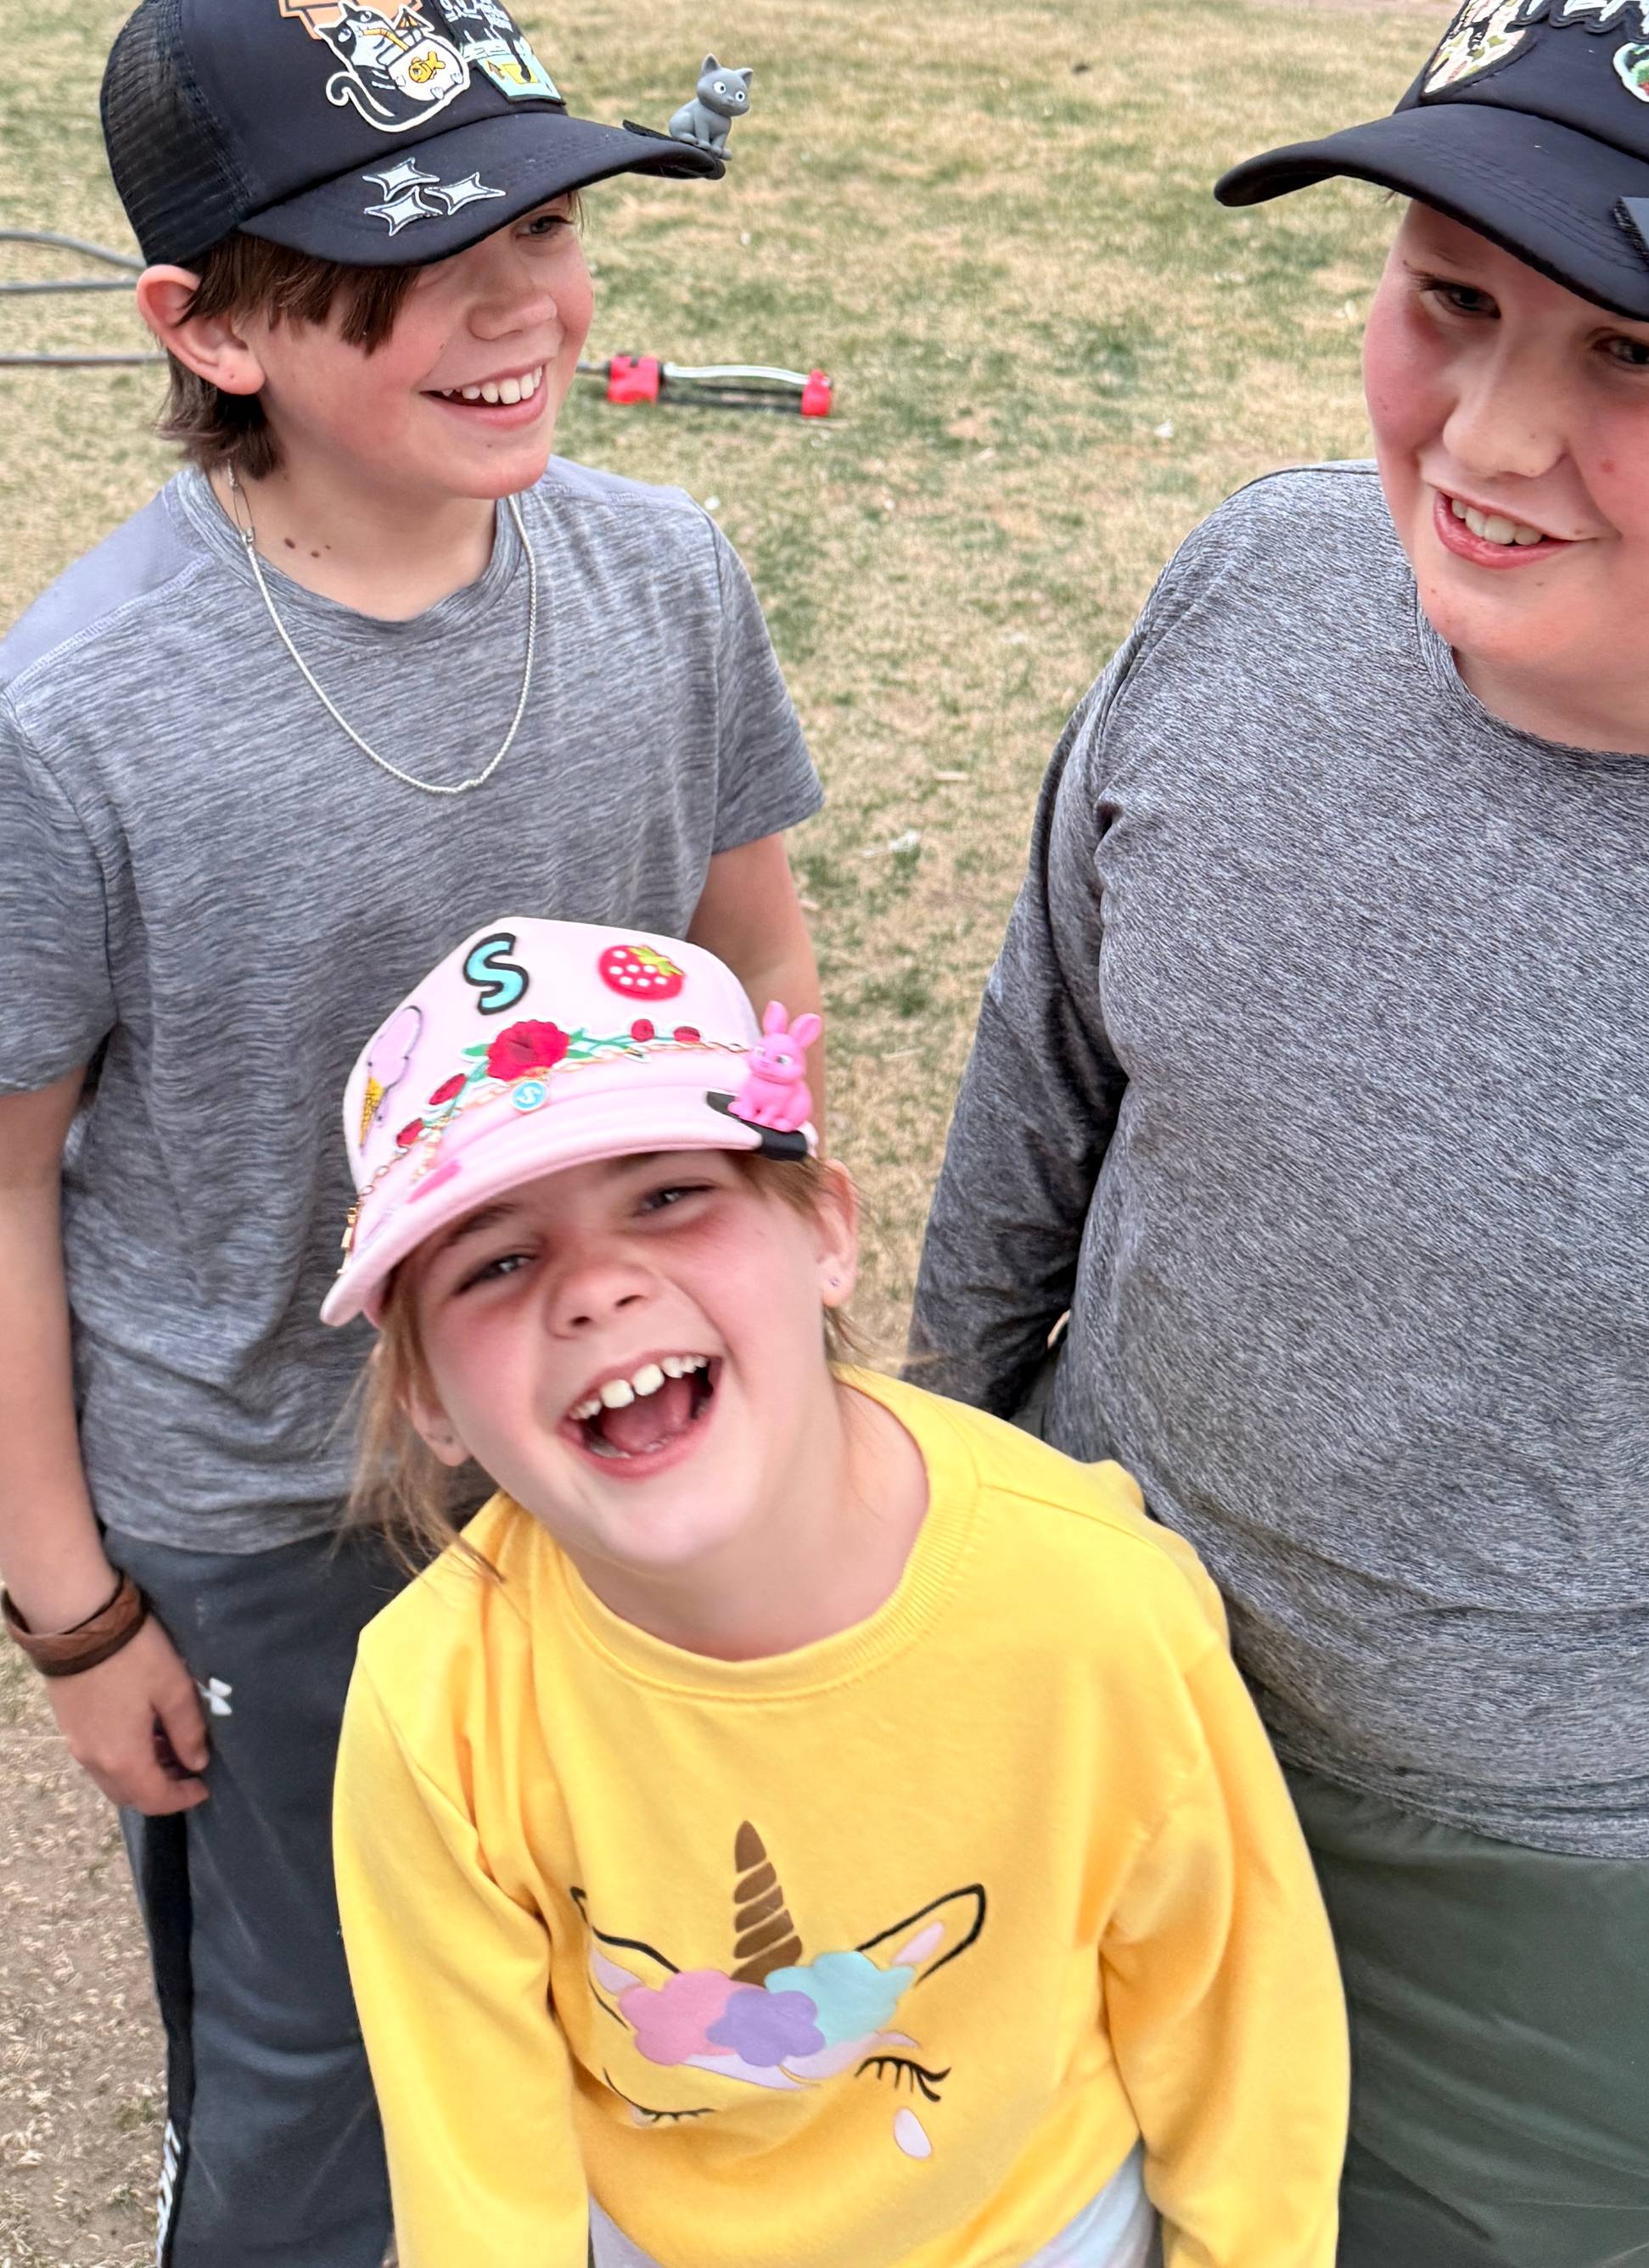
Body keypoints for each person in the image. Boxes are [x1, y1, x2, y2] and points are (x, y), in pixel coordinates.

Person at [911, 0, 1649, 2267]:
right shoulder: (1249, 589)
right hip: (1086, 1739)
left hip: (1562, 1961)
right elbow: (1048, 1084)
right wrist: (936, 1533)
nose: (1489, 438)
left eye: (1641, 350)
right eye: (1448, 296)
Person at [0, 0, 824, 2268]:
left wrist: (762, 1282)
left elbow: (755, 951)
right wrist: (72, 1609)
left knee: (643, 1955)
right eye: (418, 258)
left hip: (629, 1438)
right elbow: (9, 1188)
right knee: (334, 2047)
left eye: (543, 225)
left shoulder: (666, 578)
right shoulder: (76, 720)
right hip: (280, 1531)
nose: (522, 304)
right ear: (213, 326)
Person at [325, 915, 1345, 2268]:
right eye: (495, 1262)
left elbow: (1238, 2033)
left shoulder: (1095, 1605)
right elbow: (478, 2184)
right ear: (426, 1397)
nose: (596, 1289)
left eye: (666, 1195)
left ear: (824, 1229)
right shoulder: (433, 1707)